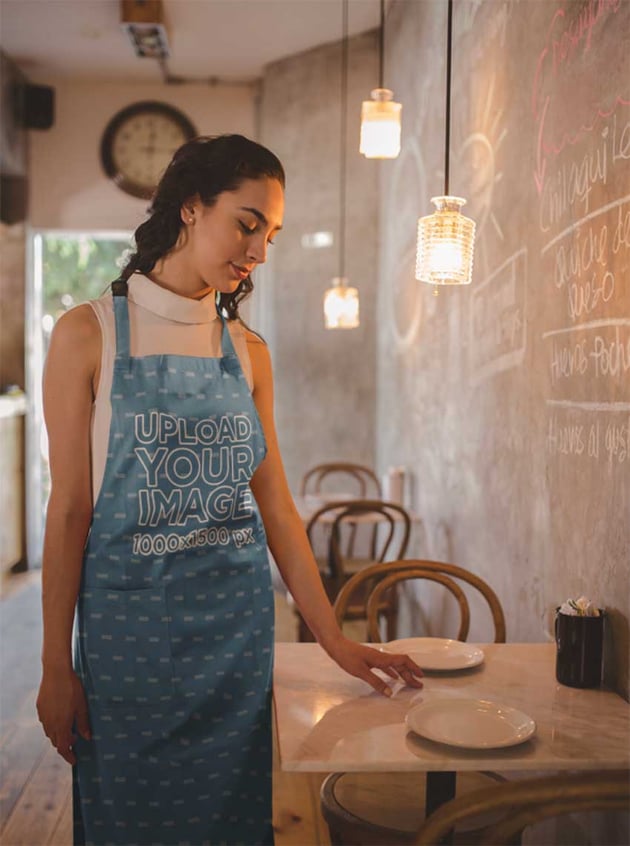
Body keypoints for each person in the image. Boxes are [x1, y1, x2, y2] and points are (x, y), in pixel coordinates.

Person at [36, 133, 423, 846]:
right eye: (247, 224)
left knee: (230, 823)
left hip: (235, 640)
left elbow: (275, 506)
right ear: (191, 207)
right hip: (128, 640)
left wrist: (333, 638)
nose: (258, 252)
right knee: (129, 819)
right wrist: (55, 665)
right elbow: (68, 512)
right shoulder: (87, 335)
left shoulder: (247, 350)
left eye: (270, 235)